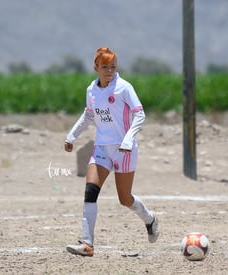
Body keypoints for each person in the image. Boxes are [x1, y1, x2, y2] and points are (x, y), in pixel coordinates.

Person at [64, 47, 159, 256]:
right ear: (96, 67)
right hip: (101, 148)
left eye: (113, 67)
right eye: (105, 67)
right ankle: (87, 244)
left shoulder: (124, 88)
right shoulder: (92, 90)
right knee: (90, 191)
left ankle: (150, 219)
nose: (109, 71)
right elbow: (89, 115)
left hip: (124, 150)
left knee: (125, 199)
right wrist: (72, 135)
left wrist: (127, 140)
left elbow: (140, 114)